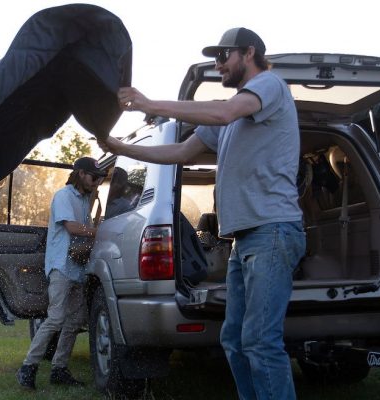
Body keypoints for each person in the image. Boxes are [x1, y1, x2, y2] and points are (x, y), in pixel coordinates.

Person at [98, 27, 306, 400]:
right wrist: (118, 147)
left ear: (249, 52)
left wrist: (151, 104)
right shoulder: (230, 123)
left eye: (223, 56)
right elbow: (178, 154)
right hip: (246, 239)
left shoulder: (270, 86)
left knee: (260, 340)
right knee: (235, 339)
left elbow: (225, 111)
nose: (218, 64)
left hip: (273, 231)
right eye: (215, 58)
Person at [16, 156, 105, 390]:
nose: (97, 182)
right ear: (80, 174)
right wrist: (100, 232)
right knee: (56, 318)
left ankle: (59, 369)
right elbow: (72, 227)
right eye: (94, 177)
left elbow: (86, 222)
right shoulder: (64, 196)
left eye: (99, 179)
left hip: (78, 269)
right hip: (61, 267)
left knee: (75, 320)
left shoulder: (87, 199)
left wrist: (95, 196)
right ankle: (28, 367)